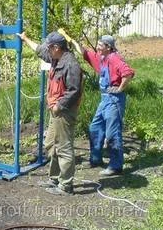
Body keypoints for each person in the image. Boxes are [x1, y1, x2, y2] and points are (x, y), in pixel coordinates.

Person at [18, 31, 82, 195]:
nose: (47, 49)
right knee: (52, 144)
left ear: (56, 47)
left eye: (49, 47)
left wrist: (59, 106)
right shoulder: (56, 58)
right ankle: (54, 178)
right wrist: (25, 39)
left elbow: (74, 91)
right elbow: (39, 50)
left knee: (64, 147)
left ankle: (66, 185)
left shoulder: (70, 65)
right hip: (56, 110)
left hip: (64, 111)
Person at [69, 34, 134, 176]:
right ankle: (96, 159)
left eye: (100, 45)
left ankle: (116, 166)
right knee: (95, 127)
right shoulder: (102, 58)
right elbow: (85, 53)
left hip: (114, 100)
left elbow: (127, 73)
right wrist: (72, 40)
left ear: (108, 47)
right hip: (104, 99)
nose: (97, 47)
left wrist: (120, 88)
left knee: (112, 133)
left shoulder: (114, 58)